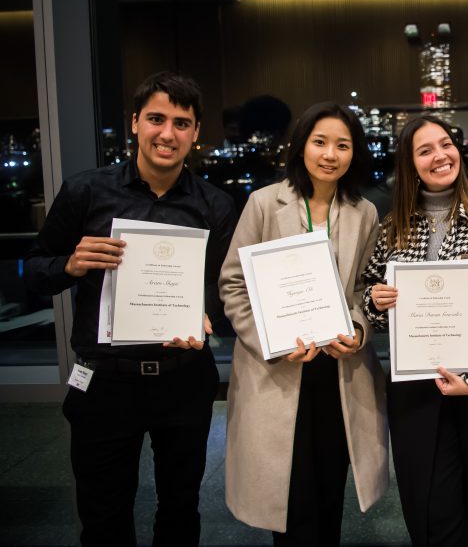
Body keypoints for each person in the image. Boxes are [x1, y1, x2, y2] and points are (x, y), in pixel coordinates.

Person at [25, 72, 237, 547]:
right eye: (157, 119)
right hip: (105, 382)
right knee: (102, 514)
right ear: (135, 122)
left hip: (183, 378)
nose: (168, 133)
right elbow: (36, 270)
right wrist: (72, 264)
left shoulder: (216, 205)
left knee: (181, 508)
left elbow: (228, 289)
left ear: (196, 132)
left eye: (181, 123)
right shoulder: (86, 192)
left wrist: (208, 319)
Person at [219, 103, 388, 545]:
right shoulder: (262, 202)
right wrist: (268, 341)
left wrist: (357, 328)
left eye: (342, 145)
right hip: (279, 366)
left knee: (329, 489)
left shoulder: (363, 211)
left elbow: (363, 288)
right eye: (320, 142)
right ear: (300, 146)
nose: (330, 154)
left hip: (337, 372)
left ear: (355, 153)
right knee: (289, 496)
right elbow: (234, 285)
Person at [362, 115, 468, 546]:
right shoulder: (392, 226)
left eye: (446, 144)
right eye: (425, 150)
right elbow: (372, 303)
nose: (440, 155)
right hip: (415, 389)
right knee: (430, 511)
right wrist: (376, 302)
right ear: (410, 165)